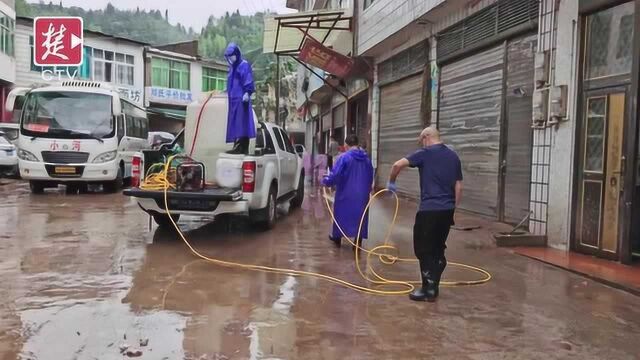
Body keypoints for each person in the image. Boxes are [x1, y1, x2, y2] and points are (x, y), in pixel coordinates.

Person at [387, 126, 463, 302]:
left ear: (427, 137)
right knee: (437, 245)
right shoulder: (453, 156)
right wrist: (453, 208)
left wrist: (391, 182)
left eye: (422, 140)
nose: (422, 144)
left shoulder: (425, 153)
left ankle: (428, 289)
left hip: (429, 209)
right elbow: (459, 186)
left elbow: (397, 164)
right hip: (447, 209)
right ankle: (436, 270)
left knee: (422, 247)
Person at [322, 135, 374, 249]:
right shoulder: (367, 159)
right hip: (362, 195)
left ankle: (337, 238)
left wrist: (326, 181)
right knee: (361, 217)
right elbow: (371, 176)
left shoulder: (344, 158)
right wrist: (368, 189)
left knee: (341, 214)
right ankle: (357, 243)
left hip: (346, 193)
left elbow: (335, 175)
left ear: (346, 145)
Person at [224, 43, 256, 155]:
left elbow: (247, 78)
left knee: (241, 122)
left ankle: (242, 146)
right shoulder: (232, 68)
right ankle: (237, 144)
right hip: (233, 100)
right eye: (228, 56)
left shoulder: (243, 65)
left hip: (241, 100)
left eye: (232, 55)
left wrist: (247, 92)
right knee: (234, 122)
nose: (230, 58)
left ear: (237, 54)